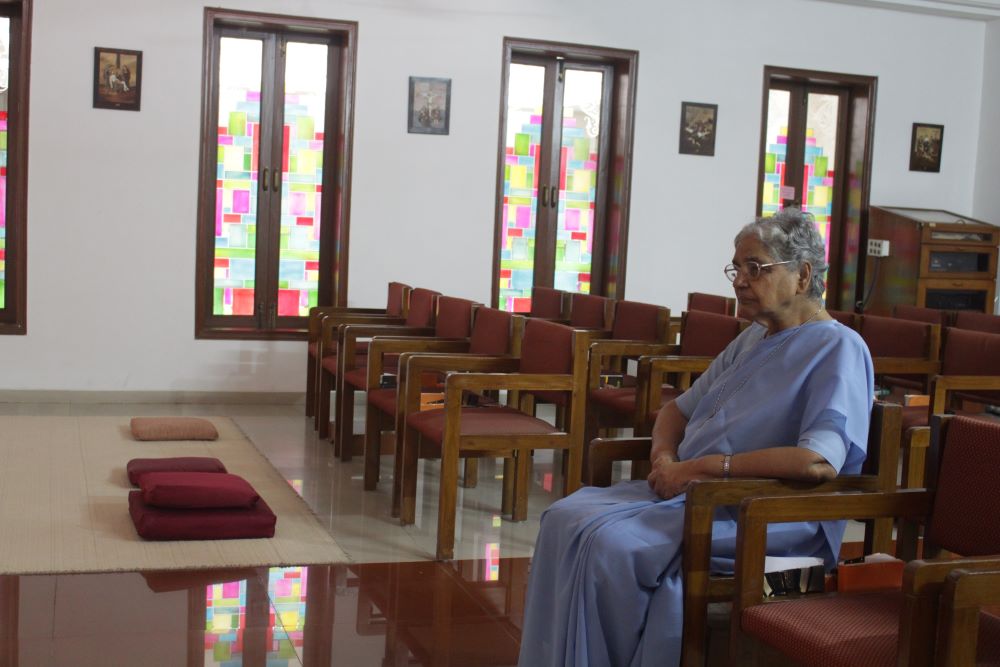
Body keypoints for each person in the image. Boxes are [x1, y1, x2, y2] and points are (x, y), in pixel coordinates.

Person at [517, 208, 874, 667]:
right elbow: (675, 410)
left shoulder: (838, 348)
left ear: (803, 275)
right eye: (737, 268)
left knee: (614, 550)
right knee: (564, 518)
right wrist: (665, 457)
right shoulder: (753, 339)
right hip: (694, 497)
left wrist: (701, 468)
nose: (740, 281)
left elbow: (816, 461)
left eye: (756, 268)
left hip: (764, 517)